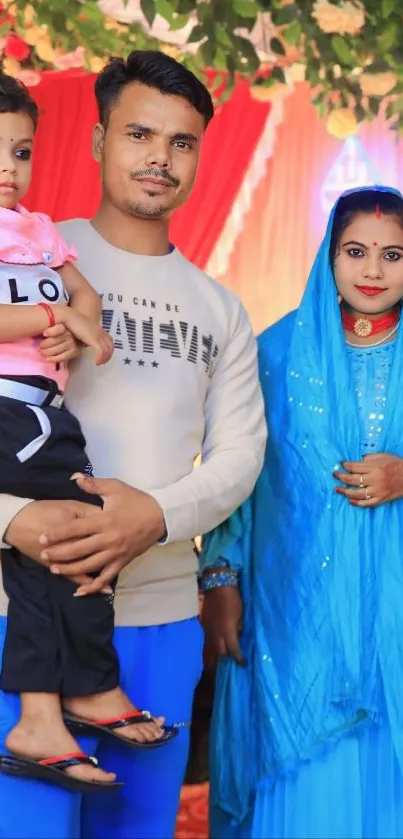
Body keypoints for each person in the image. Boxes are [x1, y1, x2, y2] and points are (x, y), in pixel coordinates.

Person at [0, 51, 267, 839]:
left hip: (157, 617)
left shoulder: (220, 308)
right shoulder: (26, 256)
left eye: (181, 142)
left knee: (139, 829)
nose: (159, 157)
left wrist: (150, 513)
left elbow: (239, 455)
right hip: (22, 608)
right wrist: (10, 516)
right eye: (139, 133)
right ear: (96, 140)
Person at [202, 185, 403, 839]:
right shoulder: (277, 353)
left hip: (394, 608)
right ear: (328, 254)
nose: (372, 271)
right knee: (301, 757)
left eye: (392, 254)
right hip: (297, 607)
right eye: (355, 251)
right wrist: (220, 578)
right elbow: (241, 472)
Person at [0, 73, 173, 795]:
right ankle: (80, 693)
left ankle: (50, 710)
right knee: (79, 523)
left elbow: (83, 292)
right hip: (7, 408)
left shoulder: (39, 230)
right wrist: (53, 321)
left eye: (21, 152)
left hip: (45, 410)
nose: (9, 169)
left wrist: (85, 323)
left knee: (66, 539)